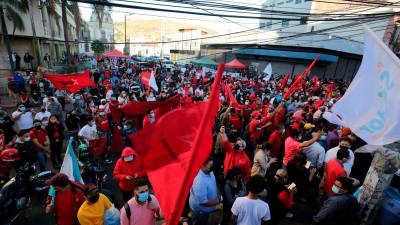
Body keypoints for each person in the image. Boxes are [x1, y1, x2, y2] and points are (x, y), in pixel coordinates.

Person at [189, 158, 222, 225]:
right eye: (210, 166)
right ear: (202, 165)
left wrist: (218, 195)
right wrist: (218, 201)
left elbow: (214, 183)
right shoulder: (199, 181)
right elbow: (203, 202)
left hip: (210, 208)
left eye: (212, 164)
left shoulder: (209, 171)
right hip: (201, 212)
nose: (212, 167)